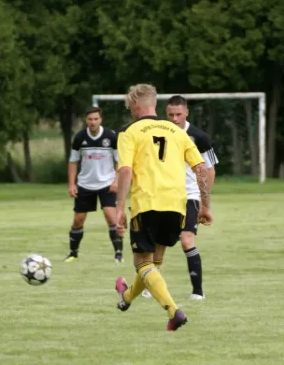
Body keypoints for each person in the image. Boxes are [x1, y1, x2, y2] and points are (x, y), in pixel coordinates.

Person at [114, 84, 213, 331]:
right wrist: (204, 205)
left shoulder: (129, 131)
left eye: (129, 106)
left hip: (147, 204)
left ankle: (173, 311)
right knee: (153, 263)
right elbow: (201, 169)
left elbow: (125, 170)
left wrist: (118, 210)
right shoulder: (177, 131)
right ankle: (126, 298)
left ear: (136, 105)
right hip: (177, 205)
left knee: (142, 263)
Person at [141, 95, 218, 300]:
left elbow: (209, 171)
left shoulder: (198, 137)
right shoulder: (161, 134)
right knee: (159, 243)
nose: (174, 118)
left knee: (186, 240)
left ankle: (197, 291)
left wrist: (204, 202)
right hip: (166, 196)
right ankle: (150, 285)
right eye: (171, 114)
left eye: (178, 114)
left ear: (186, 113)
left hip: (190, 196)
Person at [64, 107, 123, 263]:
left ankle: (118, 254)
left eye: (96, 119)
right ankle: (73, 253)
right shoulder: (80, 137)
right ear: (86, 120)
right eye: (90, 119)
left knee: (111, 217)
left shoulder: (111, 136)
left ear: (101, 119)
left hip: (107, 184)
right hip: (85, 184)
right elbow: (73, 161)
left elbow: (120, 161)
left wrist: (116, 181)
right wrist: (71, 184)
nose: (93, 122)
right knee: (78, 220)